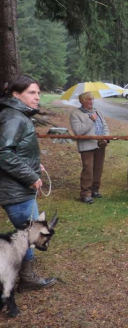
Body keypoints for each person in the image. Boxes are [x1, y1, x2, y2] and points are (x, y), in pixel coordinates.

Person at [0, 75, 57, 290]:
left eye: (38, 93)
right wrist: (31, 176)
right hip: (15, 189)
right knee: (30, 233)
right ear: (16, 94)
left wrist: (34, 166)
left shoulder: (17, 115)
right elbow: (3, 152)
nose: (37, 97)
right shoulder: (14, 117)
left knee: (29, 231)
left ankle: (26, 277)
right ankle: (28, 278)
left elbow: (16, 151)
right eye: (31, 93)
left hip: (18, 186)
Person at [70, 92, 110, 204]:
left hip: (100, 143)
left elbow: (104, 125)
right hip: (87, 145)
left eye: (92, 99)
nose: (91, 101)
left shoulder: (97, 111)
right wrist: (90, 120)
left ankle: (95, 189)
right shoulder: (75, 113)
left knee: (98, 168)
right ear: (82, 101)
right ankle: (85, 193)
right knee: (88, 169)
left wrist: (106, 137)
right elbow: (78, 131)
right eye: (88, 99)